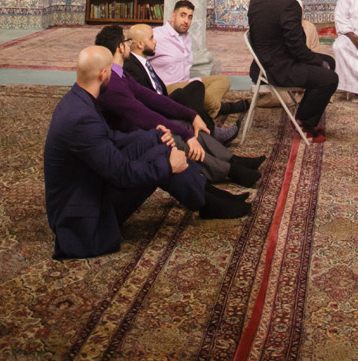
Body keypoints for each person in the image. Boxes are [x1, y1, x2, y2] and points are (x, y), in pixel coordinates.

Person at [44, 46, 238, 258]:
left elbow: (112, 139)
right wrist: (169, 165)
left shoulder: (78, 99)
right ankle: (210, 201)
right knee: (162, 158)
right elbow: (122, 173)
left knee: (157, 144)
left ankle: (208, 198)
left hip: (90, 187)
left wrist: (154, 135)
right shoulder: (81, 117)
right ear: (103, 74)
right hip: (84, 220)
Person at [93, 25, 262, 192]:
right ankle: (229, 170)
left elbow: (152, 98)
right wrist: (187, 134)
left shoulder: (120, 74)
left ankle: (232, 161)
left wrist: (192, 115)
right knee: (177, 137)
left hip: (140, 125)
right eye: (126, 41)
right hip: (130, 137)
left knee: (187, 122)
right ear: (121, 47)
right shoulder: (114, 81)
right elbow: (143, 114)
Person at [247, 0, 339, 143]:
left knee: (329, 61)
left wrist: (319, 60)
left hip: (261, 64)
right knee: (330, 77)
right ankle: (304, 122)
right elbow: (296, 47)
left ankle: (305, 111)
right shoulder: (289, 4)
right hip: (278, 69)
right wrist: (317, 61)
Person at [124, 21, 237, 143]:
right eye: (151, 38)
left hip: (162, 99)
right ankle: (211, 131)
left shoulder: (143, 62)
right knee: (184, 96)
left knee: (196, 86)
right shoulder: (131, 67)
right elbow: (147, 100)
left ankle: (207, 127)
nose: (155, 41)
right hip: (156, 108)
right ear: (140, 44)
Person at [152, 0, 248, 118]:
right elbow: (136, 53)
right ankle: (224, 108)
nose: (186, 21)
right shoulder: (157, 35)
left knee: (223, 81)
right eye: (182, 15)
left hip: (188, 84)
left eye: (190, 17)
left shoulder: (186, 37)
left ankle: (204, 110)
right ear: (173, 15)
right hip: (169, 88)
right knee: (198, 92)